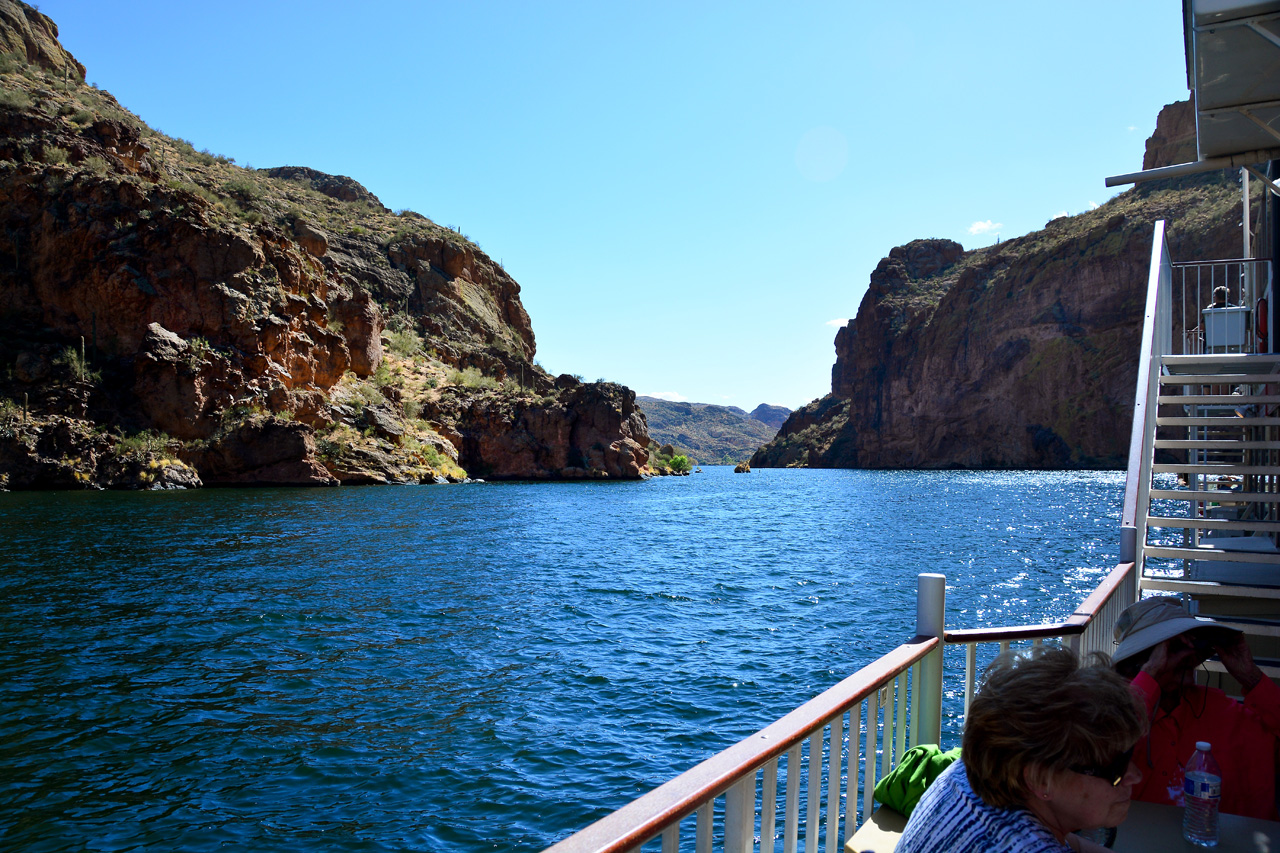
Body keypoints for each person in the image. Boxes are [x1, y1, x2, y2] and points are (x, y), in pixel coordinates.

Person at [897, 646, 1144, 853]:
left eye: (1130, 753)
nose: (1136, 775)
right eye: (1116, 767)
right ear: (1040, 779)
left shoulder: (968, 775)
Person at [1112, 596, 1280, 819]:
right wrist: (1150, 676)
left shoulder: (1218, 709)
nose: (1186, 657)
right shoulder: (1111, 713)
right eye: (1172, 649)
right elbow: (1095, 754)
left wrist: (1250, 676)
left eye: (1189, 647)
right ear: (1138, 664)